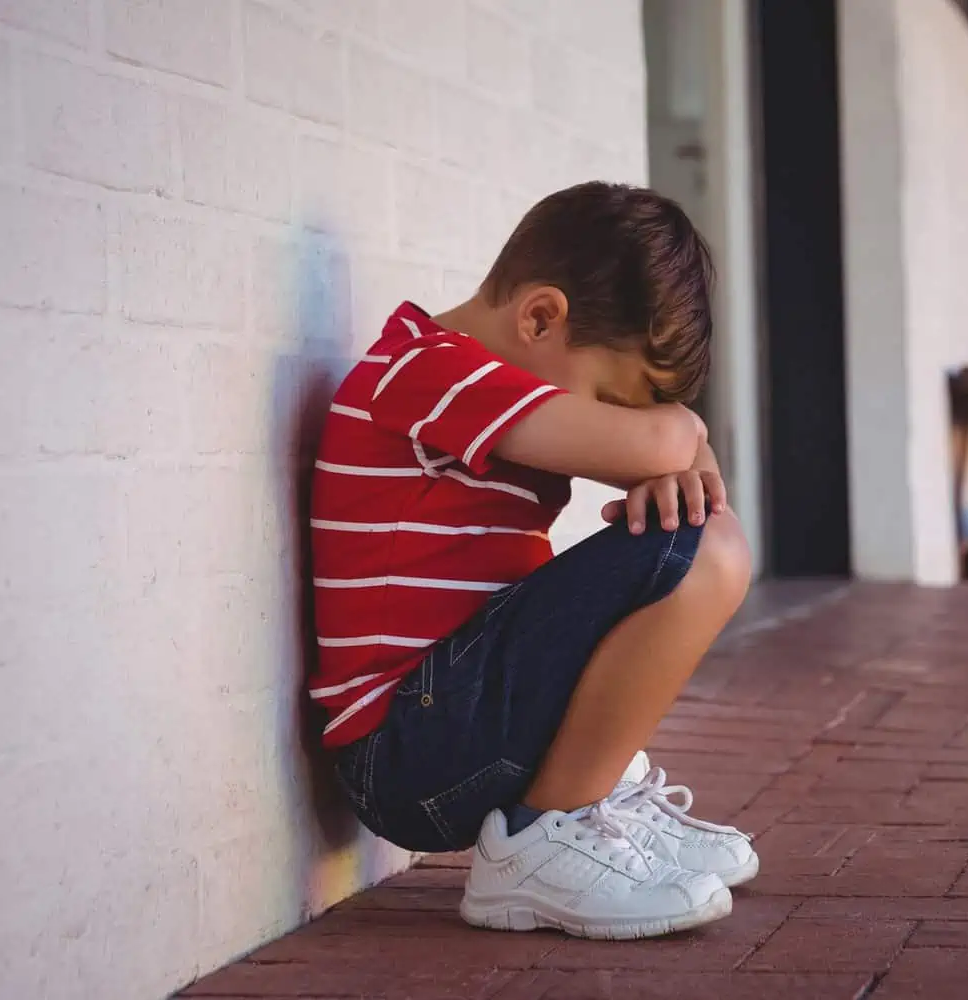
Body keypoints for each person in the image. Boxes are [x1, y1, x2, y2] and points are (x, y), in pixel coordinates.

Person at [307, 181, 756, 940]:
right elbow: (669, 448)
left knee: (704, 537)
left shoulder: (470, 385)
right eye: (619, 399)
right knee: (707, 548)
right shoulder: (427, 374)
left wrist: (675, 455)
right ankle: (538, 841)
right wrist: (678, 432)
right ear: (540, 317)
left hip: (447, 723)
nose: (624, 422)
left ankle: (588, 802)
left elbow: (678, 466)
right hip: (405, 749)